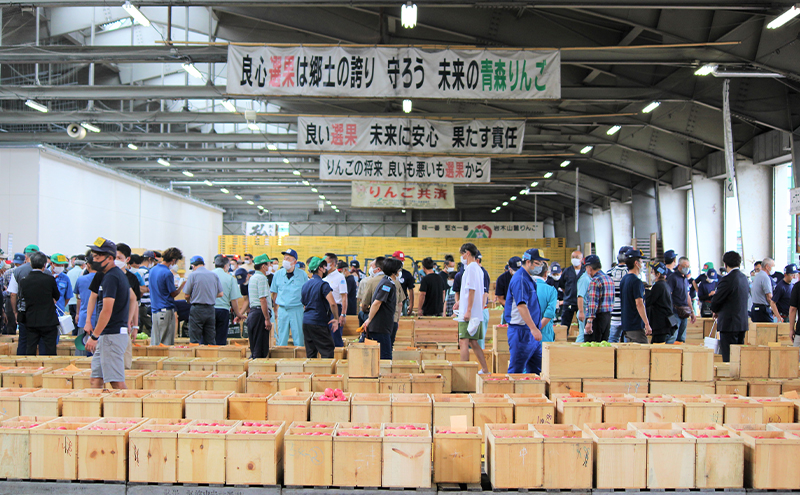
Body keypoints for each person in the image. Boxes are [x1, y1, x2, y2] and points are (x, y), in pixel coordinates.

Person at [84, 237, 136, 389]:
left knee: (116, 381)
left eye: (97, 257)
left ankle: (126, 404)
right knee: (96, 379)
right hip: (107, 335)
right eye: (93, 256)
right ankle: (97, 404)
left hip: (112, 335)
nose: (94, 260)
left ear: (110, 258)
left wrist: (94, 336)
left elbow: (107, 310)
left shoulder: (112, 277)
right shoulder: (108, 275)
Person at [504, 248, 544, 373]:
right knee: (517, 370)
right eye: (537, 263)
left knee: (537, 370)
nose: (540, 267)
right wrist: (533, 328)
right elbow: (521, 306)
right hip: (521, 331)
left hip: (530, 331)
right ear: (528, 262)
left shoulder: (528, 278)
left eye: (541, 264)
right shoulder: (520, 279)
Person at [455, 243, 490, 374]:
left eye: (462, 254)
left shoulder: (470, 269)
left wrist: (468, 310)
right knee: (474, 342)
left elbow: (471, 290)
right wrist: (461, 302)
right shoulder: (479, 269)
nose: (462, 257)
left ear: (467, 253)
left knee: (463, 341)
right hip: (475, 312)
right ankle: (485, 369)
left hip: (469, 313)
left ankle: (464, 372)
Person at [18, 251, 61, 355]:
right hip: (48, 319)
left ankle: (30, 364)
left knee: (30, 348)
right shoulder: (49, 279)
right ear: (44, 265)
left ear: (31, 264)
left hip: (31, 319)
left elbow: (22, 297)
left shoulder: (24, 281)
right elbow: (57, 296)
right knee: (50, 349)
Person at [711, 251, 750, 362]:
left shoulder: (727, 279)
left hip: (729, 324)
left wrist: (715, 310)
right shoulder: (744, 278)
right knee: (738, 358)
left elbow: (717, 299)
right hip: (742, 323)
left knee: (729, 358)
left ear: (725, 264)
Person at [363, 257, 402, 360]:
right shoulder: (387, 284)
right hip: (380, 327)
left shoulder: (387, 282)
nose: (400, 273)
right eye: (399, 270)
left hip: (383, 326)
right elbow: (377, 303)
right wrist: (369, 320)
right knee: (385, 357)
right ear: (394, 271)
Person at [301, 257, 339, 358]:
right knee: (327, 350)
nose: (326, 269)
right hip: (319, 322)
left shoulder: (305, 285)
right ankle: (327, 369)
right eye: (325, 267)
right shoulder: (323, 285)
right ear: (320, 268)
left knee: (311, 352)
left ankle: (312, 368)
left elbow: (304, 305)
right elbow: (333, 304)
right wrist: (336, 318)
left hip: (306, 322)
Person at [8, 244, 41, 355]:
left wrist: (15, 312)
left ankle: (21, 362)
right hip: (40, 311)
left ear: (26, 256)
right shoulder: (45, 271)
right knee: (39, 340)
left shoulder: (17, 271)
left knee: (23, 340)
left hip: (24, 310)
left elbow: (13, 294)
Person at [270, 249, 307, 347]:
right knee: (281, 338)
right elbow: (274, 293)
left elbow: (306, 293)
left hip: (297, 309)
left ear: (294, 262)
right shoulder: (278, 274)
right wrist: (275, 310)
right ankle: (281, 356)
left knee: (299, 338)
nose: (285, 260)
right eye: (284, 258)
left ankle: (300, 355)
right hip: (283, 309)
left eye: (288, 258)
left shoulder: (302, 275)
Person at [183, 256, 223, 345]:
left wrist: (190, 300)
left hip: (197, 309)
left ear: (193, 266)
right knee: (210, 338)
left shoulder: (193, 275)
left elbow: (186, 295)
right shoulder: (213, 275)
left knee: (195, 338)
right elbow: (221, 294)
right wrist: (210, 296)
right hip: (210, 309)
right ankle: (211, 353)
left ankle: (195, 353)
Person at [149, 248, 185, 345]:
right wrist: (182, 286)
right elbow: (173, 293)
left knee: (156, 340)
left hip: (155, 309)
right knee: (166, 342)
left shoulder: (153, 270)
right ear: (173, 260)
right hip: (165, 309)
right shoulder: (167, 273)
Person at [619, 248, 652, 343]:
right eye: (641, 261)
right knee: (643, 350)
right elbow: (639, 303)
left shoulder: (624, 279)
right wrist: (646, 323)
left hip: (626, 324)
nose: (642, 264)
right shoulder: (636, 282)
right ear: (636, 263)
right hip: (636, 325)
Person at [212, 255, 246, 345]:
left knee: (208, 337)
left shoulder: (208, 276)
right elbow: (234, 299)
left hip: (208, 309)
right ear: (226, 266)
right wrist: (238, 313)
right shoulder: (230, 278)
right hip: (223, 310)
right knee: (220, 338)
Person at [247, 254, 273, 358]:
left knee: (255, 347)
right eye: (268, 264)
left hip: (253, 313)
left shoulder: (253, 277)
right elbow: (262, 299)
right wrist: (267, 318)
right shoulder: (262, 278)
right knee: (260, 349)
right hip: (260, 314)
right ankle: (258, 367)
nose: (269, 267)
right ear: (263, 266)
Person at [583, 255, 614, 343]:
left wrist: (589, 321)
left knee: (592, 346)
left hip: (597, 318)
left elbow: (592, 302)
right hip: (607, 317)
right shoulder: (609, 279)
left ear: (589, 268)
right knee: (603, 345)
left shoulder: (595, 281)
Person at [666, 256, 696, 343]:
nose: (686, 268)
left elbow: (688, 296)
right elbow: (668, 295)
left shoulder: (685, 279)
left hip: (684, 312)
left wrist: (692, 311)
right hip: (674, 312)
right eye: (684, 266)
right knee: (673, 336)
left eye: (688, 267)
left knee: (682, 337)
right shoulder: (672, 278)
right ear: (679, 266)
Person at [646, 263, 676, 344]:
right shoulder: (665, 285)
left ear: (658, 274)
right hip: (667, 323)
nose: (651, 274)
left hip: (661, 324)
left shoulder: (658, 286)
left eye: (652, 272)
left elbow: (649, 301)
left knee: (657, 347)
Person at [323, 253, 348, 347]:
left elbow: (344, 297)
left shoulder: (340, 277)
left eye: (325, 263)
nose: (323, 265)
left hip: (336, 309)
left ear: (332, 264)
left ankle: (338, 354)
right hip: (324, 309)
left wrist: (343, 314)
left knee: (335, 337)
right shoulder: (324, 277)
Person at [607, 247, 630, 343]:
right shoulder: (630, 273)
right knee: (628, 342)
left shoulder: (609, 273)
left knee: (612, 340)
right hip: (627, 313)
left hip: (613, 313)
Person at [531, 261, 558, 342]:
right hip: (544, 335)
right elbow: (549, 314)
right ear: (546, 273)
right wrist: (536, 329)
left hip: (524, 334)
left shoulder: (523, 288)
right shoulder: (551, 290)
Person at [559, 250, 585, 327]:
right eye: (573, 257)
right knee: (565, 324)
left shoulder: (585, 271)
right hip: (569, 302)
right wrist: (568, 293)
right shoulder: (567, 271)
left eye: (577, 257)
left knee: (582, 325)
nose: (574, 259)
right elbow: (561, 284)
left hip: (582, 303)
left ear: (581, 259)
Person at [751, 258, 781, 323]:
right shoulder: (765, 277)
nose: (773, 268)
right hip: (763, 310)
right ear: (767, 266)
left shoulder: (757, 276)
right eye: (773, 266)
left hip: (755, 308)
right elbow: (769, 297)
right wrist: (775, 311)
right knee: (770, 328)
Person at [357, 257, 385, 326]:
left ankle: (362, 332)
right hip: (389, 317)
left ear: (378, 269)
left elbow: (364, 303)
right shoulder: (393, 281)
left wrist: (365, 310)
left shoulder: (370, 281)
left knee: (361, 314)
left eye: (372, 266)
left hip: (374, 316)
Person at [137, 250, 156, 335]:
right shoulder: (147, 272)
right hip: (145, 304)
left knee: (138, 329)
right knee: (151, 328)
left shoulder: (137, 271)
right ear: (149, 259)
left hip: (138, 303)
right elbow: (148, 288)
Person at [393, 251, 415, 316]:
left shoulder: (407, 274)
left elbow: (411, 290)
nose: (401, 262)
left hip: (403, 301)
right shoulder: (388, 273)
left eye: (402, 261)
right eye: (399, 260)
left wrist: (411, 305)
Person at [66, 255, 84, 325]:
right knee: (78, 322)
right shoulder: (81, 272)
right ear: (83, 264)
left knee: (73, 322)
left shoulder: (69, 272)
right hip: (78, 301)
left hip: (70, 301)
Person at [575, 266, 592, 343]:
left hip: (586, 310)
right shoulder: (584, 279)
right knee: (583, 334)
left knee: (585, 334)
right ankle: (575, 349)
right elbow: (580, 296)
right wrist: (581, 312)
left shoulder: (589, 278)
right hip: (584, 310)